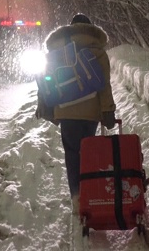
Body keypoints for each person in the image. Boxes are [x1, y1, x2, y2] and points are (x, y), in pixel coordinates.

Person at [35, 13, 117, 215]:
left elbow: (46, 79)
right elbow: (104, 86)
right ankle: (91, 193)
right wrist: (108, 110)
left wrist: (44, 106)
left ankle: (77, 197)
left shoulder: (58, 50)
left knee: (72, 155)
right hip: (90, 112)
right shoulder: (96, 49)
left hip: (66, 111)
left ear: (71, 28)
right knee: (89, 153)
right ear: (89, 29)